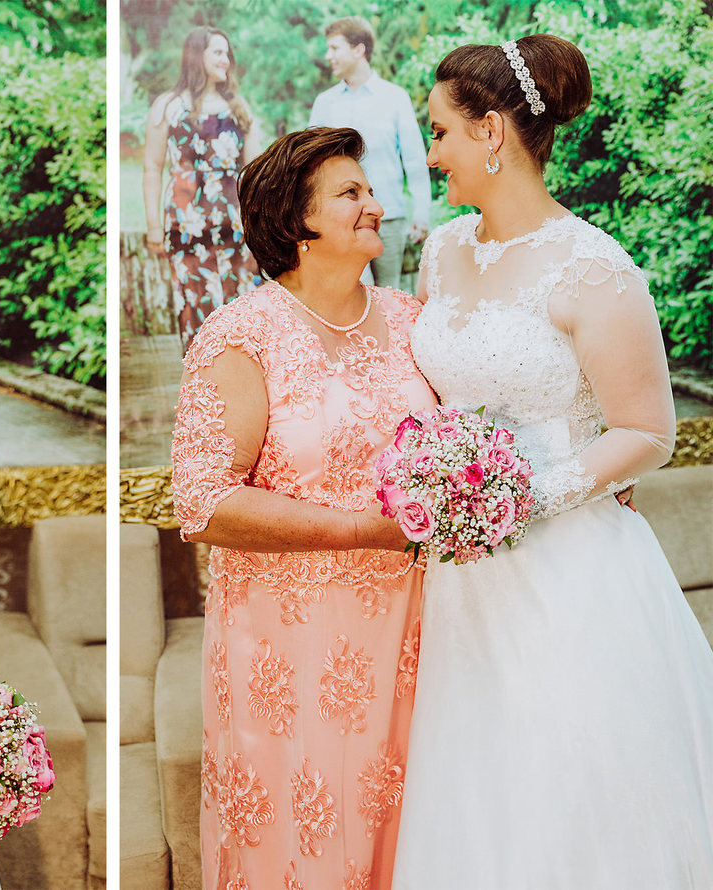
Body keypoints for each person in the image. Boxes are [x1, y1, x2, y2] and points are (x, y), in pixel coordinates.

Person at [392, 35, 713, 888]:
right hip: (460, 581)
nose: (431, 155)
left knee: (571, 798)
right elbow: (435, 398)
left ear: (492, 132)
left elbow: (648, 430)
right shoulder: (442, 252)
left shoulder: (597, 269)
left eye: (441, 133)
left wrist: (520, 497)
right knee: (475, 798)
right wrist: (439, 483)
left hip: (571, 580)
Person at [171, 126, 437, 890]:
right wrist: (366, 532)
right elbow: (204, 500)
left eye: (370, 190)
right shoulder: (241, 337)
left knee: (413, 820)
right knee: (313, 838)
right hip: (294, 645)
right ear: (297, 219)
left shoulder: (412, 320)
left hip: (420, 627)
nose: (374, 206)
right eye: (351, 193)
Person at [144, 26, 261, 354]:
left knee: (238, 303)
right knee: (193, 301)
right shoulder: (168, 105)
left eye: (228, 53)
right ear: (197, 56)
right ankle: (201, 388)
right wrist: (154, 226)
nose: (226, 60)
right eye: (217, 52)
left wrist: (258, 224)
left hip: (232, 222)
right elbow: (152, 167)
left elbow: (255, 172)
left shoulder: (238, 106)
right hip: (185, 224)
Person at [308, 17, 430, 289]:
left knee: (390, 295)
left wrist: (421, 214)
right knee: (352, 292)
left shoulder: (395, 97)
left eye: (334, 48)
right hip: (341, 222)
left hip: (389, 218)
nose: (328, 56)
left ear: (358, 49)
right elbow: (310, 166)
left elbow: (414, 161)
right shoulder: (324, 104)